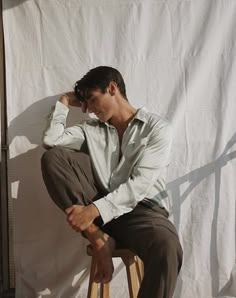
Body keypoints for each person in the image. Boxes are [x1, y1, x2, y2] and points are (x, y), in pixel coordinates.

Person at [41, 66, 183, 298]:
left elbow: (140, 183)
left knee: (167, 246)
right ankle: (97, 238)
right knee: (53, 158)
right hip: (101, 218)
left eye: (93, 99)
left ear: (112, 88)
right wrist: (65, 101)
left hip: (144, 214)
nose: (89, 109)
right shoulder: (92, 130)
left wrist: (93, 209)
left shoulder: (157, 128)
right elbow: (50, 140)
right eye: (84, 102)